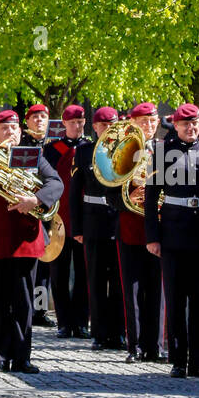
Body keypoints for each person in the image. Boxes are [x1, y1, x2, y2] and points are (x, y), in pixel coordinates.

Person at [0, 108, 62, 374]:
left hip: (25, 240)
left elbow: (55, 183)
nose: (11, 133)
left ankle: (22, 357)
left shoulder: (31, 155)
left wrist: (35, 200)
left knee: (24, 301)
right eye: (4, 128)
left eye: (14, 128)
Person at [144, 103, 199, 379]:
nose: (192, 128)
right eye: (186, 124)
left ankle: (198, 362)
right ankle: (178, 360)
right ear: (175, 126)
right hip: (173, 234)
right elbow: (151, 197)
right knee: (176, 300)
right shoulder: (163, 153)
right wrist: (153, 237)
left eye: (195, 123)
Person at [70, 106, 124, 350]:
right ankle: (100, 333)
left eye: (112, 125)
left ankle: (119, 331)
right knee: (96, 278)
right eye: (103, 125)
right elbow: (74, 192)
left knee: (118, 279)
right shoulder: (84, 152)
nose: (107, 129)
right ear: (94, 127)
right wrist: (77, 227)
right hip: (93, 220)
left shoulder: (127, 149)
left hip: (118, 218)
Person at [116, 102, 163, 363]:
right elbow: (110, 193)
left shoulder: (165, 150)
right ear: (133, 122)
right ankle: (135, 346)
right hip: (131, 227)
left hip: (157, 226)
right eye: (144, 121)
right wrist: (130, 196)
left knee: (157, 289)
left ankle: (156, 345)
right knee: (132, 290)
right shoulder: (122, 150)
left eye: (153, 121)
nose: (149, 126)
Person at [43, 105, 90, 339]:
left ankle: (81, 321)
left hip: (82, 217)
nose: (77, 126)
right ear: (64, 123)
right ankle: (64, 321)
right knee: (59, 271)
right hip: (58, 216)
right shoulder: (51, 150)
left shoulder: (89, 147)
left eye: (81, 121)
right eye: (73, 122)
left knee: (83, 271)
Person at [21, 103, 55, 329]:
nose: (39, 121)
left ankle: (41, 311)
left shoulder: (52, 145)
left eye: (43, 117)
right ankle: (29, 309)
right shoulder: (21, 145)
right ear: (27, 121)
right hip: (27, 208)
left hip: (49, 206)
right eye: (35, 117)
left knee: (45, 266)